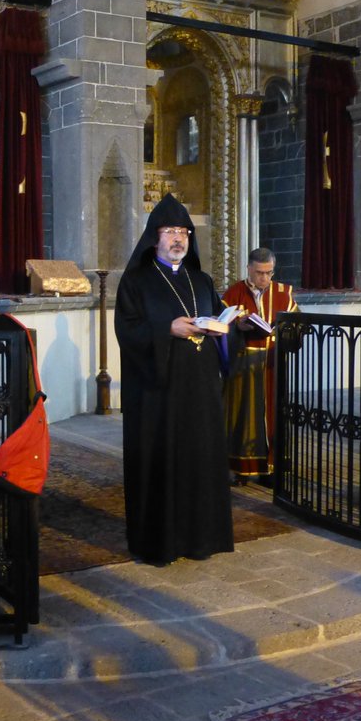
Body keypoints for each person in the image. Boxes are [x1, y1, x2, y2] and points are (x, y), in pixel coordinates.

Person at [114, 194, 235, 564]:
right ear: (155, 237)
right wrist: (166, 328)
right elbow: (126, 330)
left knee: (200, 459)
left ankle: (202, 539)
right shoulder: (135, 282)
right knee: (161, 462)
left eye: (183, 231)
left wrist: (227, 327)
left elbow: (216, 320)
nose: (178, 238)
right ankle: (160, 544)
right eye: (169, 231)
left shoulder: (202, 279)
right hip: (158, 394)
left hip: (200, 391)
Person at [221, 248, 298, 482]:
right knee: (243, 417)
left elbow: (298, 325)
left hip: (273, 365)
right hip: (243, 366)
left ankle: (271, 470)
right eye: (259, 273)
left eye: (269, 272)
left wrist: (287, 330)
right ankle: (241, 468)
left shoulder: (284, 293)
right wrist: (238, 328)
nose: (265, 278)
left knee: (274, 416)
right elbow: (220, 330)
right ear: (249, 269)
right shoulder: (233, 293)